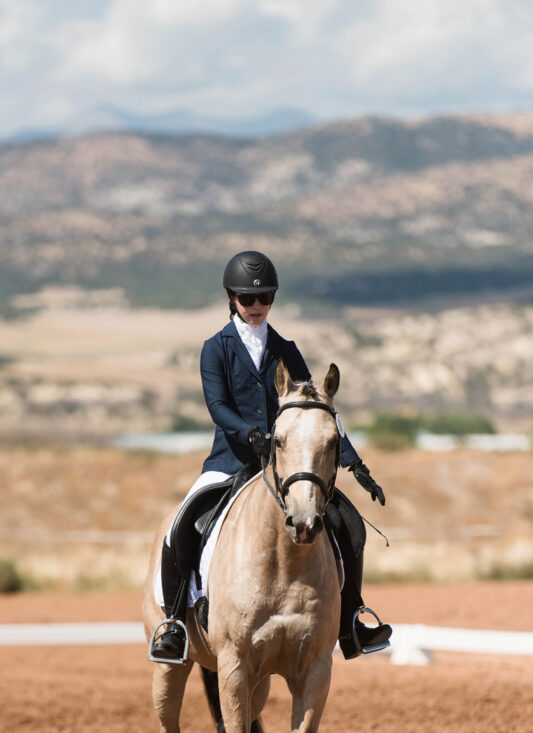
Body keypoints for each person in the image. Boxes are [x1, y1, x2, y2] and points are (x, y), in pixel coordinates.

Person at [151, 250, 392, 661]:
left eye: (265, 299)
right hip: (230, 461)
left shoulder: (286, 348)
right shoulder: (216, 348)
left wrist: (354, 463)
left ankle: (352, 619)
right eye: (248, 299)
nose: (257, 307)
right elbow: (218, 406)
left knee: (350, 524)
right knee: (183, 525)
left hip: (286, 467)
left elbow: (316, 410)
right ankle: (175, 622)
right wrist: (251, 435)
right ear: (232, 298)